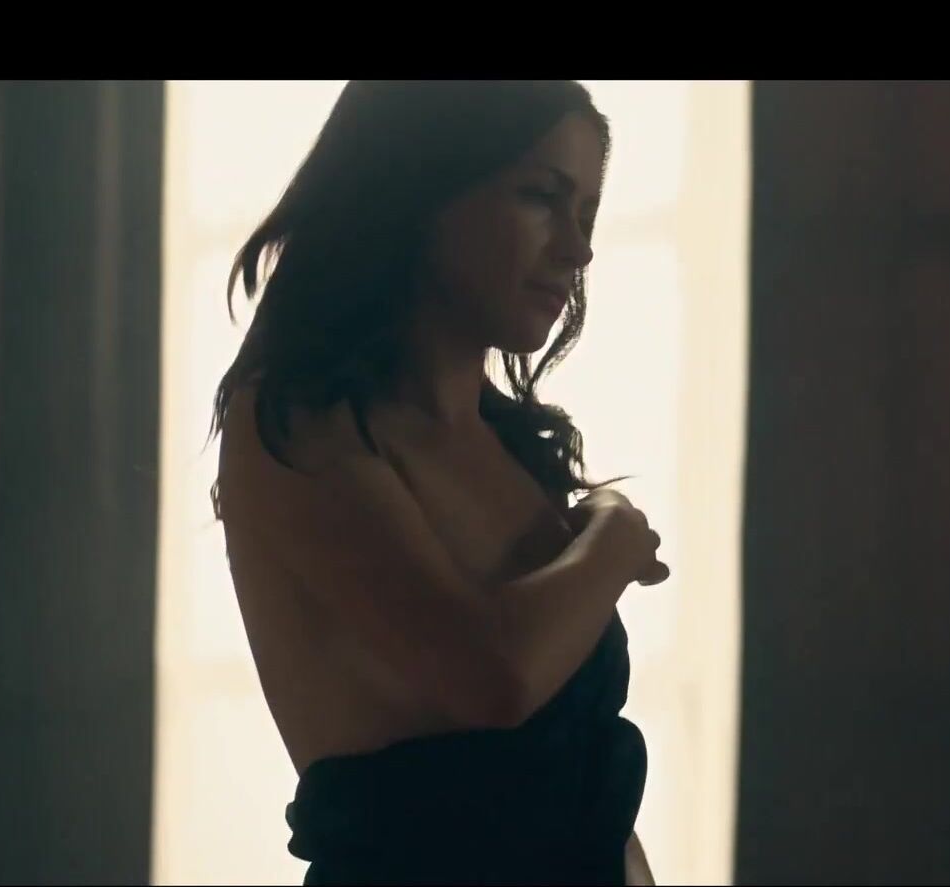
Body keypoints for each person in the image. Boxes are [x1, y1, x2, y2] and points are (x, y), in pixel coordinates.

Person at [208, 80, 665, 885]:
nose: (577, 249)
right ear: (422, 187)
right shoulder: (297, 424)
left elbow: (591, 808)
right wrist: (616, 530)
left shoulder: (517, 450)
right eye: (540, 197)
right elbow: (492, 675)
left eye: (586, 214)